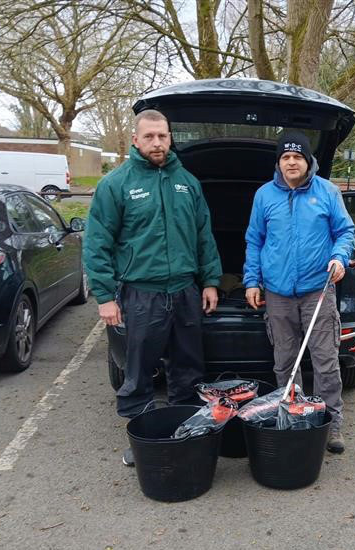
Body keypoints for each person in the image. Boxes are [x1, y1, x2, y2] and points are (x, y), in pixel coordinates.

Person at [83, 109, 222, 467]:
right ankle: (144, 442)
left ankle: (184, 435)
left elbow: (203, 235)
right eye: (149, 136)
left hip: (185, 291)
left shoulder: (187, 183)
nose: (157, 143)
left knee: (188, 369)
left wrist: (210, 281)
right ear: (136, 140)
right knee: (139, 373)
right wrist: (104, 297)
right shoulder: (116, 184)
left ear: (170, 138)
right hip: (141, 293)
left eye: (162, 136)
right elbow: (97, 243)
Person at [243, 130, 355, 453]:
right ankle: (293, 417)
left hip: (317, 291)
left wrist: (339, 257)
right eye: (286, 157)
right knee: (285, 362)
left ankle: (330, 424)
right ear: (279, 162)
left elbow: (345, 232)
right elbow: (255, 240)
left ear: (308, 161)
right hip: (277, 294)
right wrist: (252, 281)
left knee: (325, 362)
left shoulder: (328, 192)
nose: (291, 162)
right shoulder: (264, 196)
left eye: (297, 157)